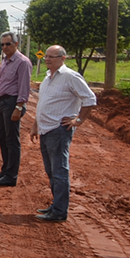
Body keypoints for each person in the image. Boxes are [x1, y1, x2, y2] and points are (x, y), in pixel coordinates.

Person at [30, 45, 96, 221]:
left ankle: (59, 211)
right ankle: (56, 205)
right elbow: (43, 102)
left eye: (53, 56)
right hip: (45, 130)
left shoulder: (70, 77)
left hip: (59, 130)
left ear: (63, 58)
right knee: (51, 171)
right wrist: (36, 125)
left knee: (59, 171)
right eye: (46, 57)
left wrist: (78, 120)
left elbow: (90, 99)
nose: (48, 59)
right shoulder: (47, 77)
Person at [0, 31, 32, 186]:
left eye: (8, 44)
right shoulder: (5, 61)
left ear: (16, 44)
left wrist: (19, 107)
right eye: (2, 44)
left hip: (13, 103)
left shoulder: (22, 62)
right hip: (2, 103)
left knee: (12, 140)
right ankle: (5, 171)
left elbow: (24, 86)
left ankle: (11, 176)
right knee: (2, 138)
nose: (5, 47)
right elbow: (2, 83)